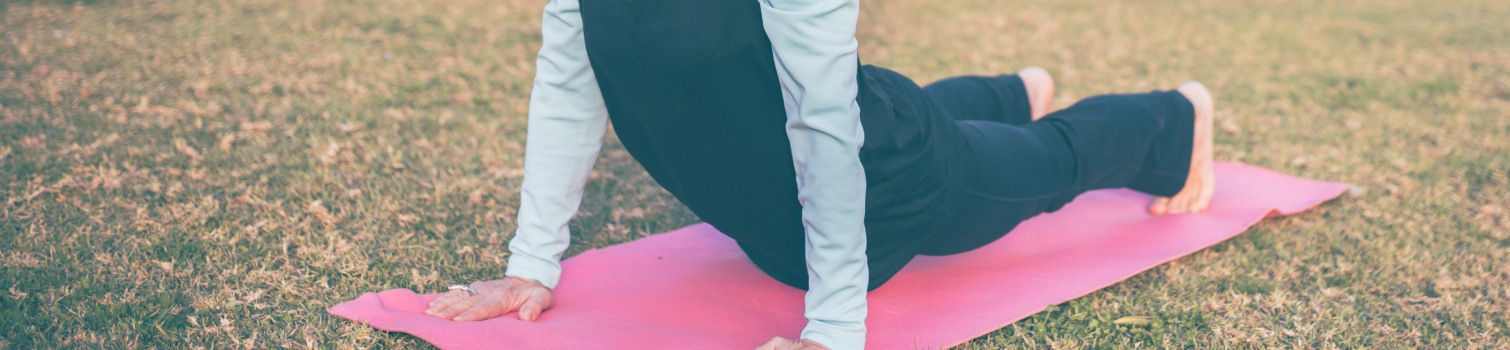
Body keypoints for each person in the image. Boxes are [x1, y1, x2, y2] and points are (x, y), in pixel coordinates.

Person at [416, 0, 1216, 348]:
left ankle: (1172, 119)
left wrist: (832, 328)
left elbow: (826, 119)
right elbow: (569, 77)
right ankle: (1007, 92)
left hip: (891, 188)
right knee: (883, 109)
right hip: (774, 221)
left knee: (1048, 164)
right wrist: (531, 264)